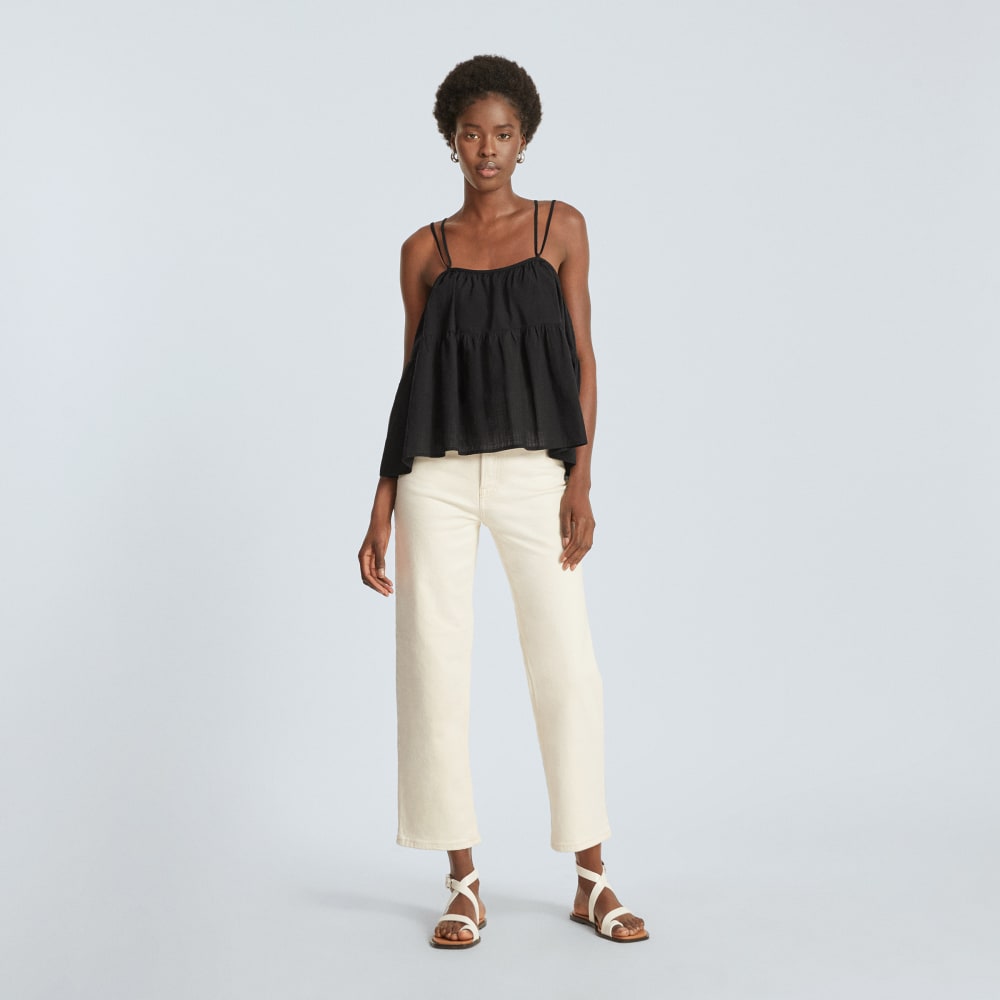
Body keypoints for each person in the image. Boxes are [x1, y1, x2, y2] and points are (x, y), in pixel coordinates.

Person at [358, 54, 648, 948]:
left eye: (503, 134)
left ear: (525, 140)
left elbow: (584, 358)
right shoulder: (424, 251)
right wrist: (382, 501)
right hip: (435, 479)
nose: (487, 149)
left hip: (535, 474)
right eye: (472, 134)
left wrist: (580, 478)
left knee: (568, 668)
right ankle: (463, 881)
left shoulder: (561, 227)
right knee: (434, 666)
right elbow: (412, 379)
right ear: (451, 141)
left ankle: (592, 878)